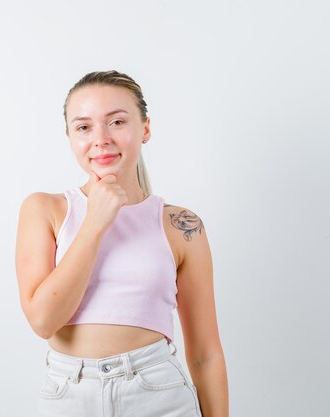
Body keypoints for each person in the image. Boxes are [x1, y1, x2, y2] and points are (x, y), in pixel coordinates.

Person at [15, 70, 228, 417]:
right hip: (68, 395)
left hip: (158, 394)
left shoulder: (180, 225)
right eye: (84, 127)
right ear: (70, 137)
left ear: (145, 129)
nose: (100, 139)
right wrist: (95, 222)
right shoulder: (45, 209)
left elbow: (205, 352)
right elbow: (43, 321)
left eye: (116, 122)